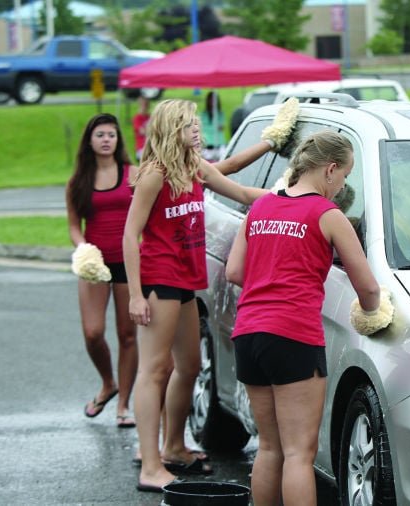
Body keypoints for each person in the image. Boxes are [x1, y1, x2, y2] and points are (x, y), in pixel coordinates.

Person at [123, 98, 274, 493]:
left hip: (186, 281)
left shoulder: (192, 167)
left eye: (196, 124)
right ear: (172, 128)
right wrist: (135, 295)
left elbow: (240, 191)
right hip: (159, 280)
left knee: (187, 366)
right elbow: (130, 233)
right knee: (154, 371)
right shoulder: (154, 174)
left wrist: (291, 197)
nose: (198, 130)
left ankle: (174, 447)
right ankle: (150, 464)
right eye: (190, 125)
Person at [225, 129, 381, 506]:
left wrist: (271, 275)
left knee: (270, 447)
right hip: (293, 335)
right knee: (298, 453)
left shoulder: (261, 208)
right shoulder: (327, 215)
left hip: (249, 333)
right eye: (344, 175)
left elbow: (233, 271)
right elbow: (370, 290)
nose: (342, 184)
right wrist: (374, 314)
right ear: (329, 170)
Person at [66, 113, 139, 428]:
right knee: (93, 333)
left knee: (127, 335)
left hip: (127, 261)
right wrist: (84, 250)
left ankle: (123, 405)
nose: (107, 139)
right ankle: (108, 383)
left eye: (111, 134)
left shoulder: (133, 174)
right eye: (100, 135)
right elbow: (73, 226)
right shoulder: (78, 181)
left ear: (118, 140)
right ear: (90, 141)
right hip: (95, 263)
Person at [200, 90, 226, 161]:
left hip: (219, 144)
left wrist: (208, 127)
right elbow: (202, 128)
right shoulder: (203, 114)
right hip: (207, 145)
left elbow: (221, 127)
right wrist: (214, 128)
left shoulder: (220, 114)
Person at [132, 96, 150, 162]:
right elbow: (142, 131)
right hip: (141, 147)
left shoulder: (150, 117)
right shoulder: (137, 118)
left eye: (146, 105)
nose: (145, 107)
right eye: (143, 105)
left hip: (150, 146)